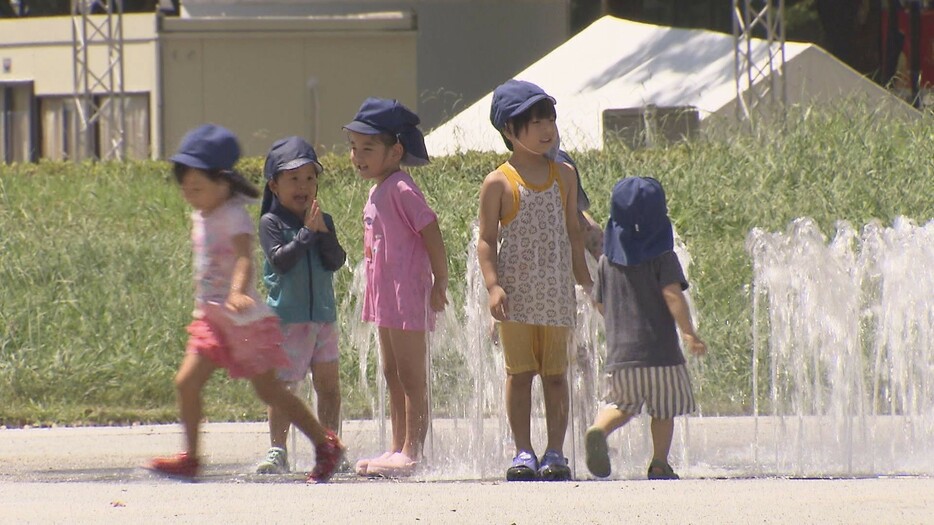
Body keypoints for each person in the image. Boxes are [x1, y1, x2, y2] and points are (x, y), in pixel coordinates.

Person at [146, 124, 344, 483]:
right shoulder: (202, 213)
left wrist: (238, 291)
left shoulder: (234, 215)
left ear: (223, 183)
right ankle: (191, 457)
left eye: (198, 188)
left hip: (243, 322)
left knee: (270, 389)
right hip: (211, 320)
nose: (190, 195)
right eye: (185, 188)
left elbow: (244, 259)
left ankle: (324, 444)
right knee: (186, 383)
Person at [477, 80, 592, 481]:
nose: (547, 129)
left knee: (557, 375)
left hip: (556, 295)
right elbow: (487, 241)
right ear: (510, 130)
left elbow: (573, 231)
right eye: (535, 121)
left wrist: (586, 282)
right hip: (518, 297)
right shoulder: (499, 181)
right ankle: (523, 450)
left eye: (550, 119)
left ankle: (556, 451)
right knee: (520, 374)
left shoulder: (564, 174)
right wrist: (493, 286)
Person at [344, 98, 449, 477]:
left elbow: (431, 231)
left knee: (411, 375)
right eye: (354, 147)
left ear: (396, 151)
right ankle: (395, 446)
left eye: (368, 148)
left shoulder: (402, 187)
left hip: (406, 296)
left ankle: (412, 451)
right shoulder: (377, 190)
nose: (358, 156)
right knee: (390, 371)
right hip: (384, 298)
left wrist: (441, 280)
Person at [584, 176, 707, 480]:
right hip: (661, 355)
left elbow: (598, 303)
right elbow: (672, 295)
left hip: (621, 357)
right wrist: (689, 332)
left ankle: (599, 428)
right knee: (662, 410)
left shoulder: (605, 263)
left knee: (622, 406)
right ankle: (659, 463)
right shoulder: (663, 258)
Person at [254, 136, 347, 474]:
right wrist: (308, 233)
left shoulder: (323, 220)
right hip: (287, 320)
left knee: (329, 387)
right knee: (285, 387)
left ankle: (331, 444)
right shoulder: (271, 224)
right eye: (293, 179)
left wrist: (323, 234)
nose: (303, 186)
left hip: (323, 317)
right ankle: (278, 449)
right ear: (274, 185)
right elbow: (280, 261)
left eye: (310, 178)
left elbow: (336, 260)